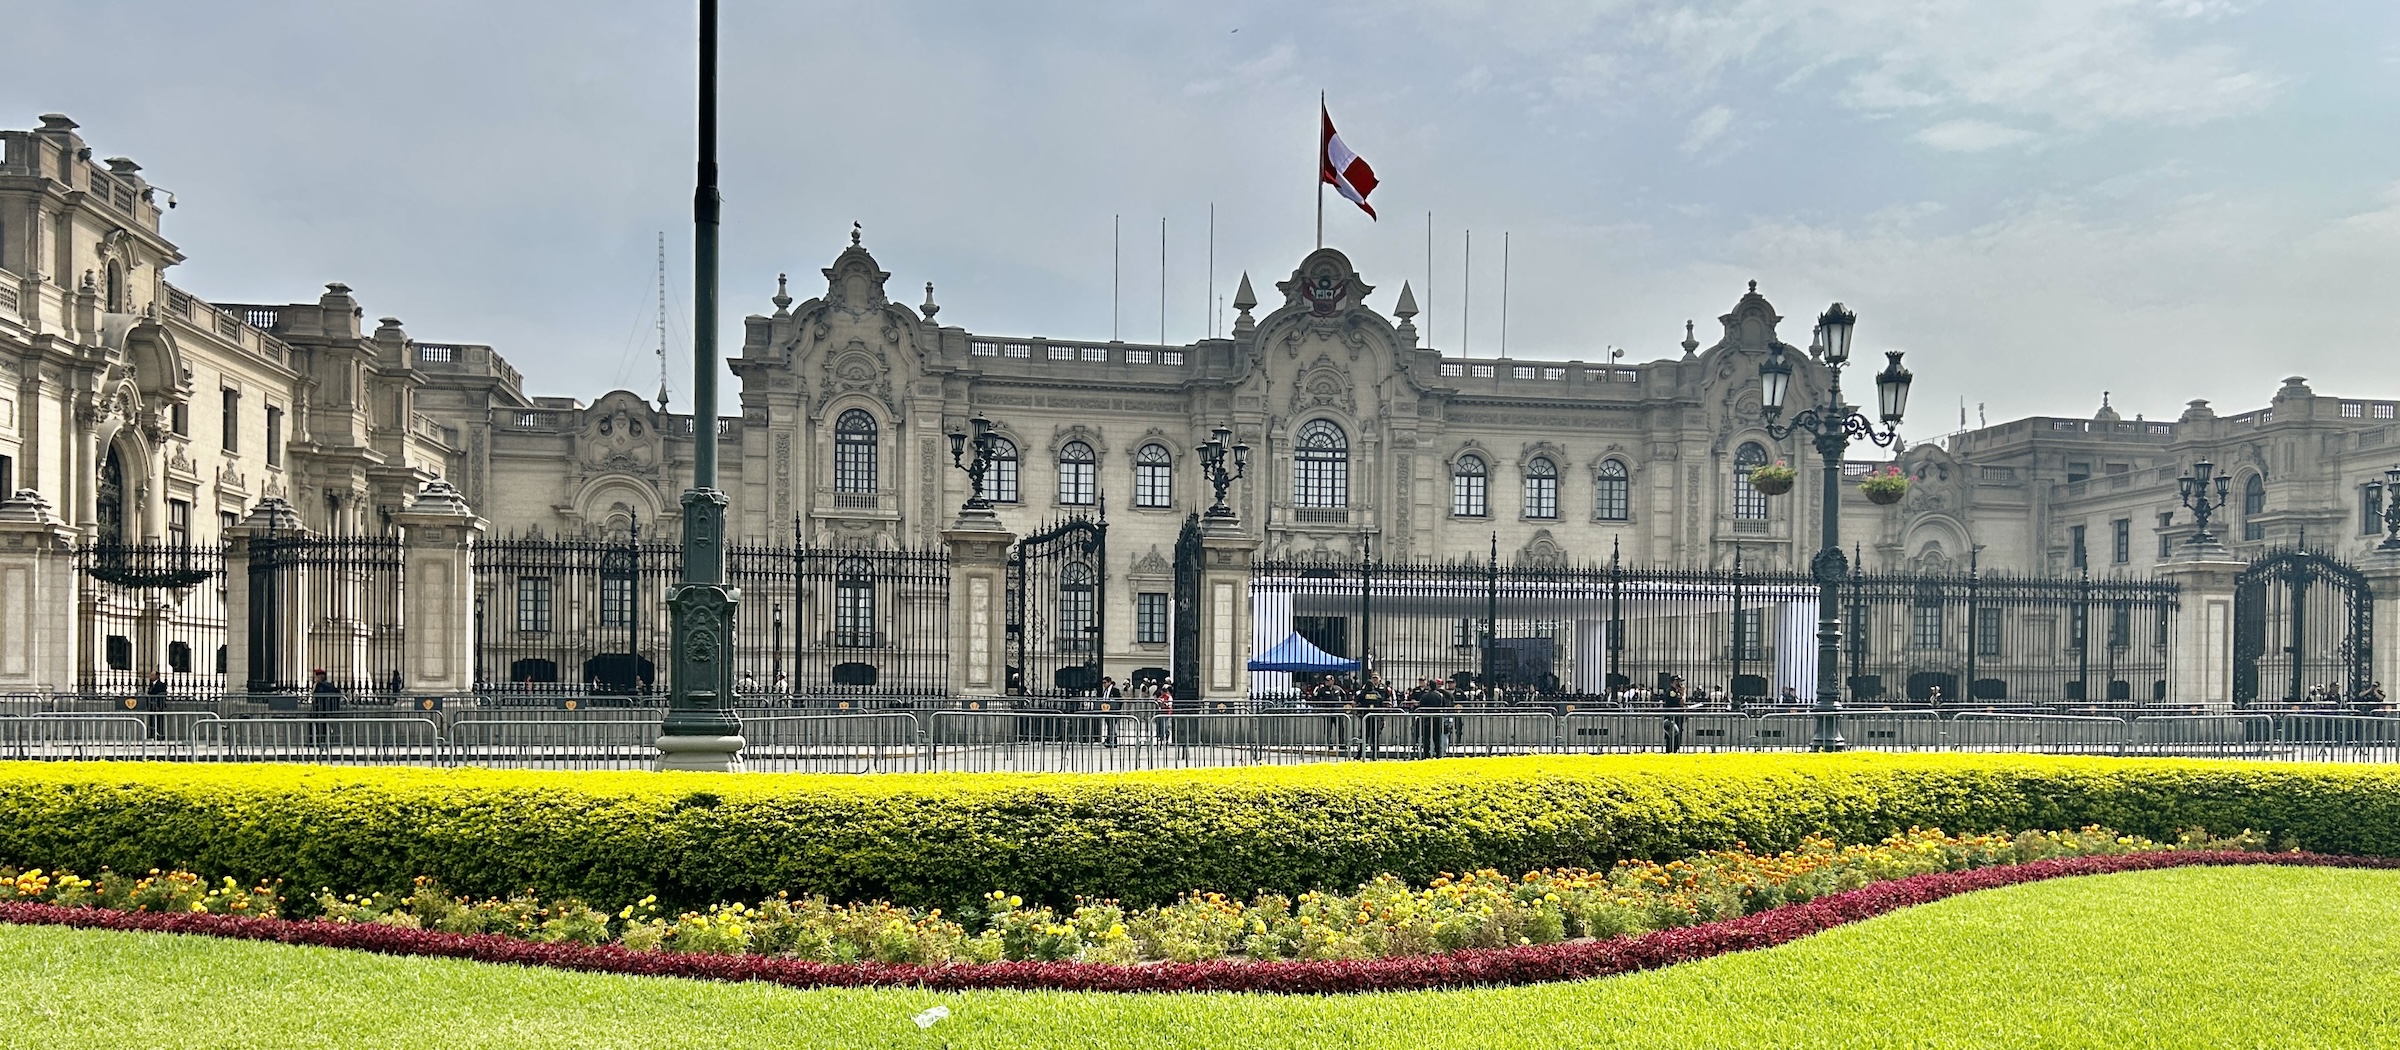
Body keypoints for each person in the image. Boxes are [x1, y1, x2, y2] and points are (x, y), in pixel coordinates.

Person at [309, 669, 342, 747]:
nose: (314, 678)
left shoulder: (319, 685)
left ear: (319, 677)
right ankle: (325, 741)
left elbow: (316, 697)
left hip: (319, 709)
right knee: (325, 726)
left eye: (316, 676)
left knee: (315, 725)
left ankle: (316, 741)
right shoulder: (330, 685)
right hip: (329, 709)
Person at [139, 671, 168, 740]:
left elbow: (161, 695)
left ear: (157, 676)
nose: (151, 676)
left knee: (159, 720)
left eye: (152, 675)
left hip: (158, 705)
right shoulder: (151, 684)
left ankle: (159, 734)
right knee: (152, 720)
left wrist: (159, 705)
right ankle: (152, 734)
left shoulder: (161, 684)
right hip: (152, 705)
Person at [1661, 676, 1686, 754]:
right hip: (1672, 718)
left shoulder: (1676, 691)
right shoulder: (1671, 691)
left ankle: (1674, 751)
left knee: (1677, 737)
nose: (1680, 683)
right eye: (1678, 682)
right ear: (1673, 682)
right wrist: (1684, 693)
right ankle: (1670, 753)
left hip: (1677, 718)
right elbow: (1681, 701)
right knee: (1672, 738)